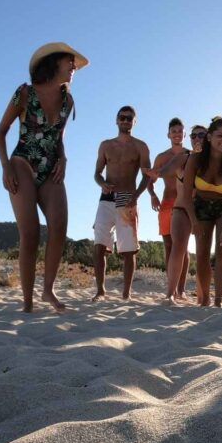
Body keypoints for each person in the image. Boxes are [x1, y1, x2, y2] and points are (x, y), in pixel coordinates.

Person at [0, 42, 87, 313]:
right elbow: (0, 132)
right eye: (69, 62)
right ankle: (27, 302)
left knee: (59, 226)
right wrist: (5, 166)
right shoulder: (24, 93)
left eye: (74, 65)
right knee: (31, 233)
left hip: (50, 168)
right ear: (53, 63)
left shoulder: (68, 101)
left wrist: (64, 159)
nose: (73, 68)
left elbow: (58, 137)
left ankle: (48, 291)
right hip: (21, 162)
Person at [177, 117, 222, 306]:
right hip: (201, 205)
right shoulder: (195, 160)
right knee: (202, 252)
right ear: (209, 137)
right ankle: (204, 299)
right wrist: (193, 222)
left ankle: (219, 300)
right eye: (220, 135)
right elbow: (187, 195)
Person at [91, 106, 153, 301]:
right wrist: (102, 183)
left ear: (134, 122)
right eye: (122, 117)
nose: (126, 121)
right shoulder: (106, 145)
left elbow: (147, 176)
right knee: (99, 245)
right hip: (106, 198)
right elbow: (97, 173)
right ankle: (100, 290)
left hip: (127, 197)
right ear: (116, 120)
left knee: (128, 249)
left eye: (129, 118)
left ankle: (126, 293)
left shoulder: (140, 146)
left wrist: (137, 195)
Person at [151, 124, 206, 302]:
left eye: (201, 135)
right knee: (176, 247)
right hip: (180, 206)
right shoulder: (184, 157)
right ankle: (171, 293)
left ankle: (196, 294)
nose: (197, 138)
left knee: (200, 251)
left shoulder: (214, 160)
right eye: (194, 135)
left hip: (203, 210)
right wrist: (154, 181)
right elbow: (165, 170)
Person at [153, 119, 190, 299]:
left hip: (184, 204)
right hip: (167, 203)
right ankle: (171, 287)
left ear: (184, 134)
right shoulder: (161, 157)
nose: (176, 133)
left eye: (180, 131)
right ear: (168, 134)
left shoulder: (189, 155)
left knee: (183, 247)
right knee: (169, 246)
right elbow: (151, 178)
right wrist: (152, 194)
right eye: (173, 131)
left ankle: (181, 289)